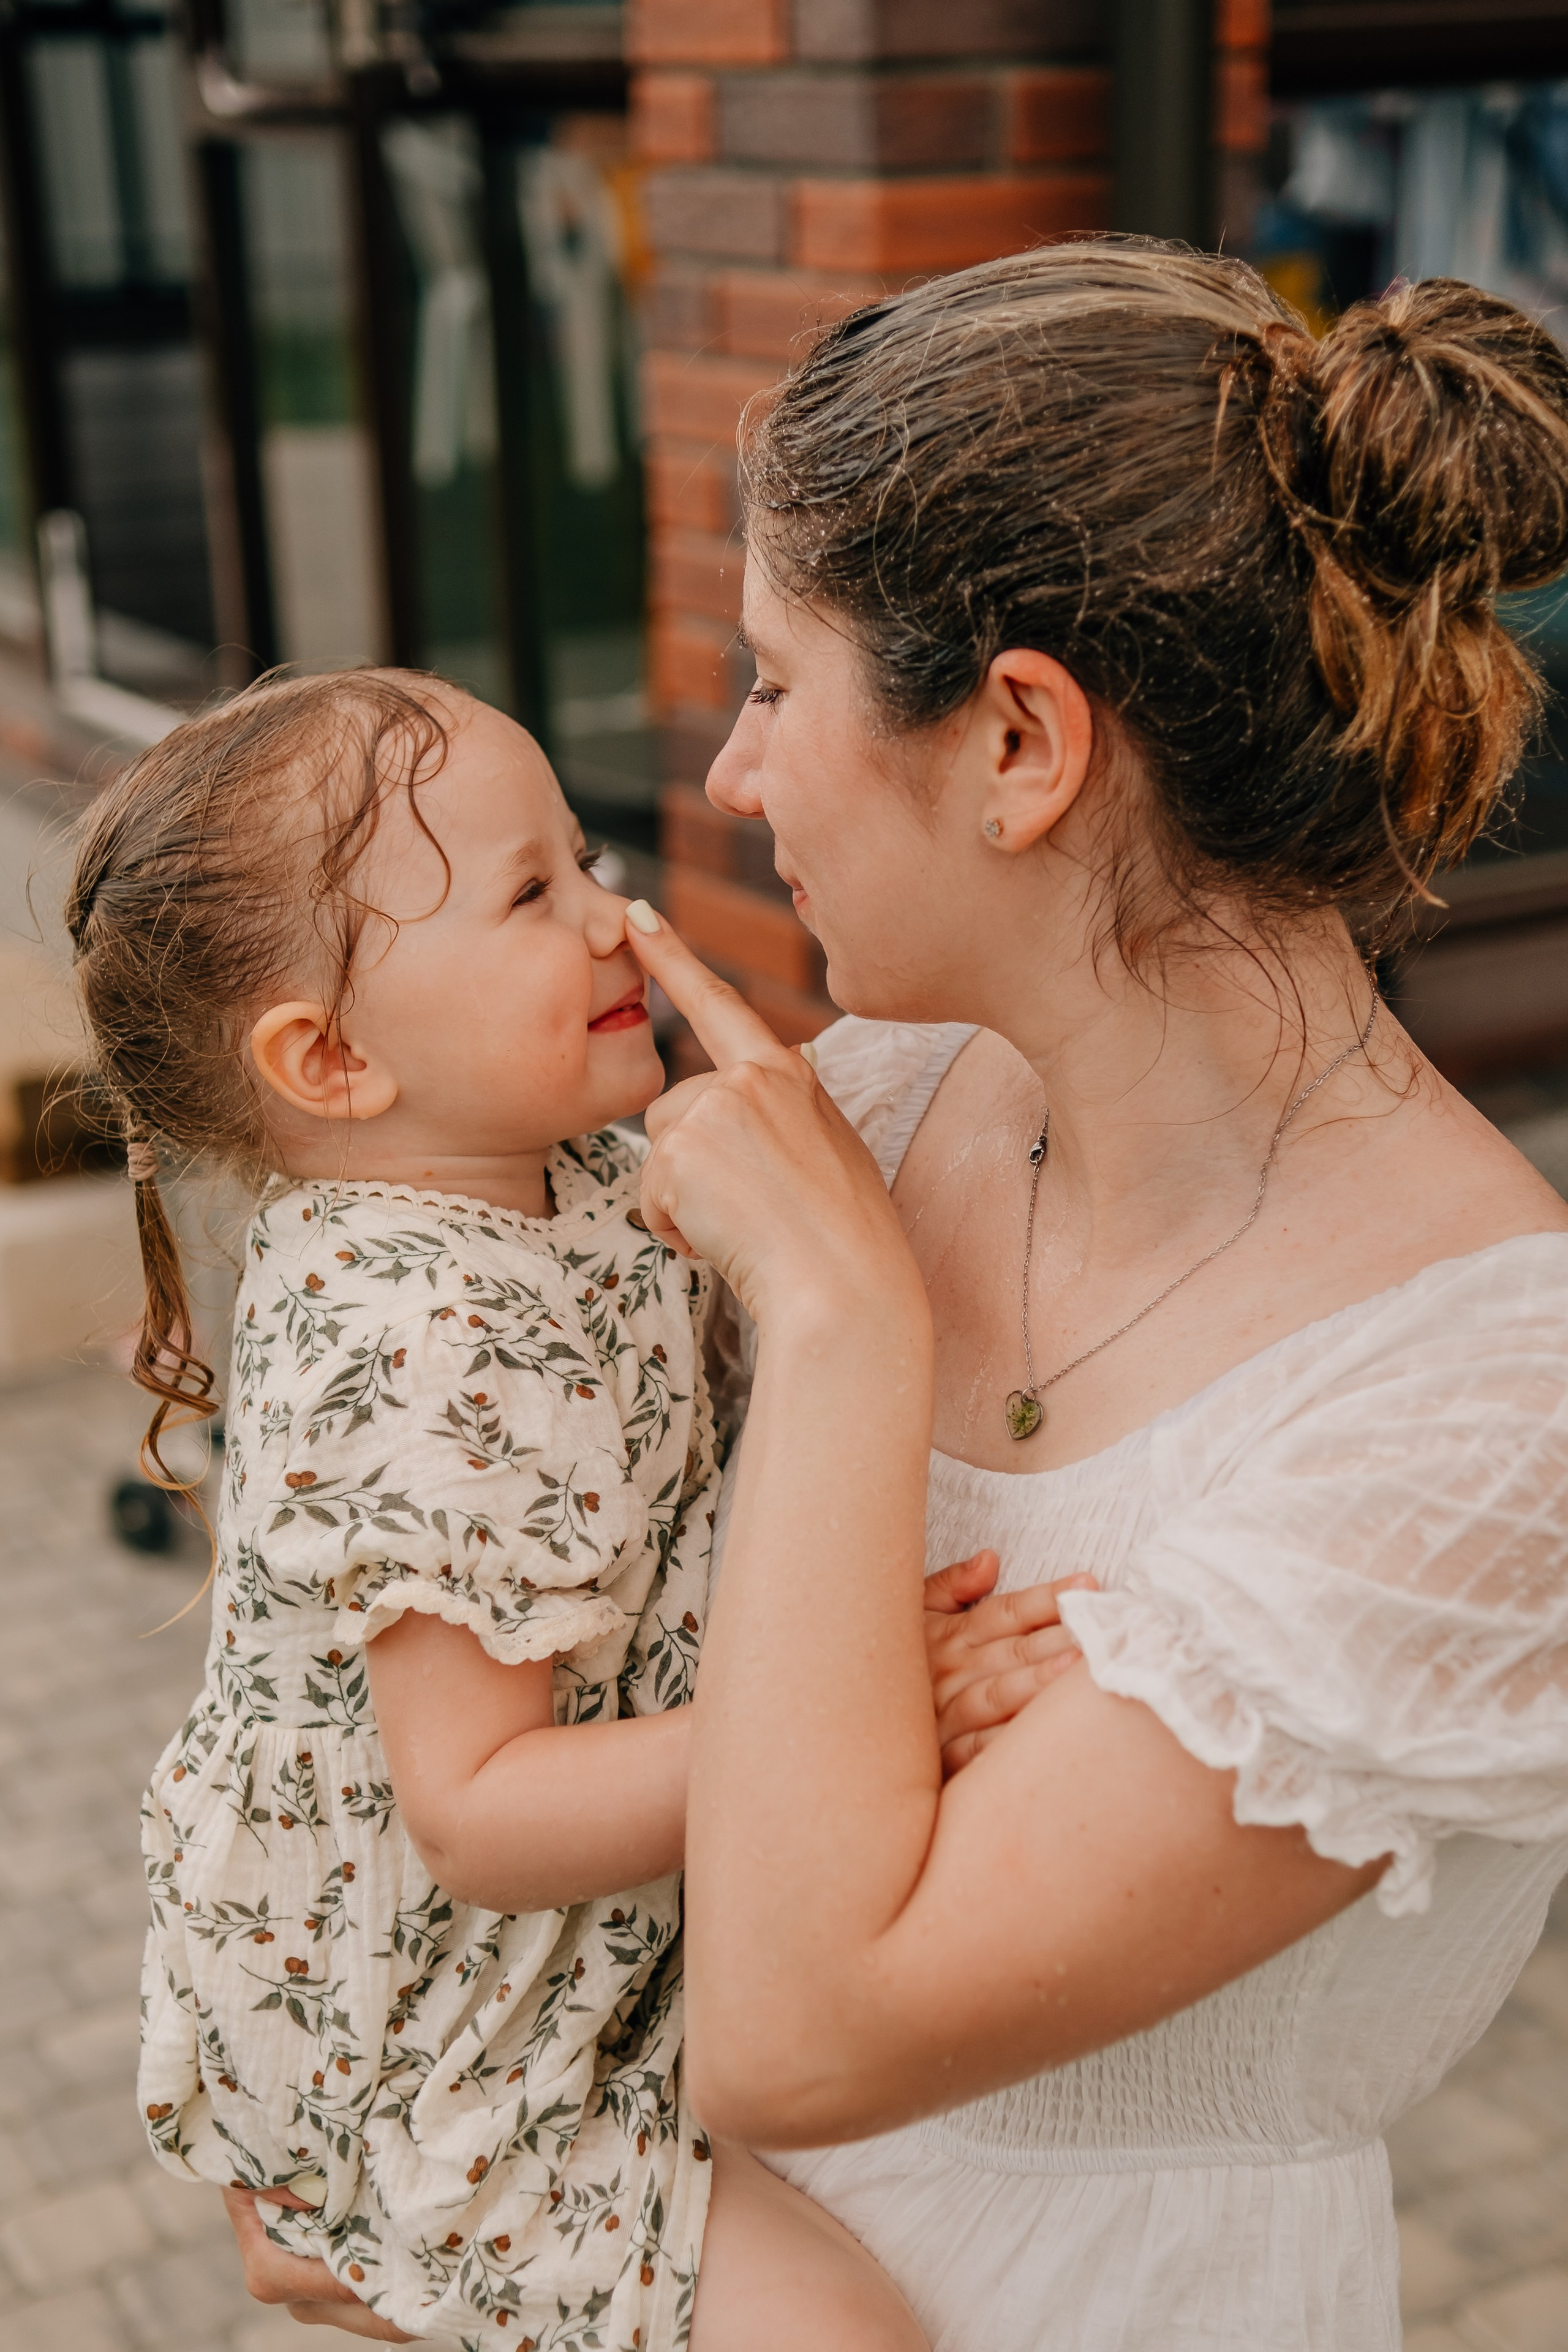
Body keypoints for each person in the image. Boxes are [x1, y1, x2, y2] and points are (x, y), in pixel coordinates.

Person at [606, 248, 1568, 2351]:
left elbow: (800, 2025)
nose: (734, 782)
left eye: (779, 682)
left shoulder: (1503, 1409)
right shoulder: (865, 1108)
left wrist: (847, 1322)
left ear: (1022, 740)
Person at [70, 669, 1008, 2348]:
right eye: (533, 895)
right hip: (453, 2089)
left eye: (583, 857)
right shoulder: (421, 1330)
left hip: (561, 2003)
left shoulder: (554, 1177)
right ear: (337, 1057)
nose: (615, 915)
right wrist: (869, 1716)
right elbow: (481, 1813)